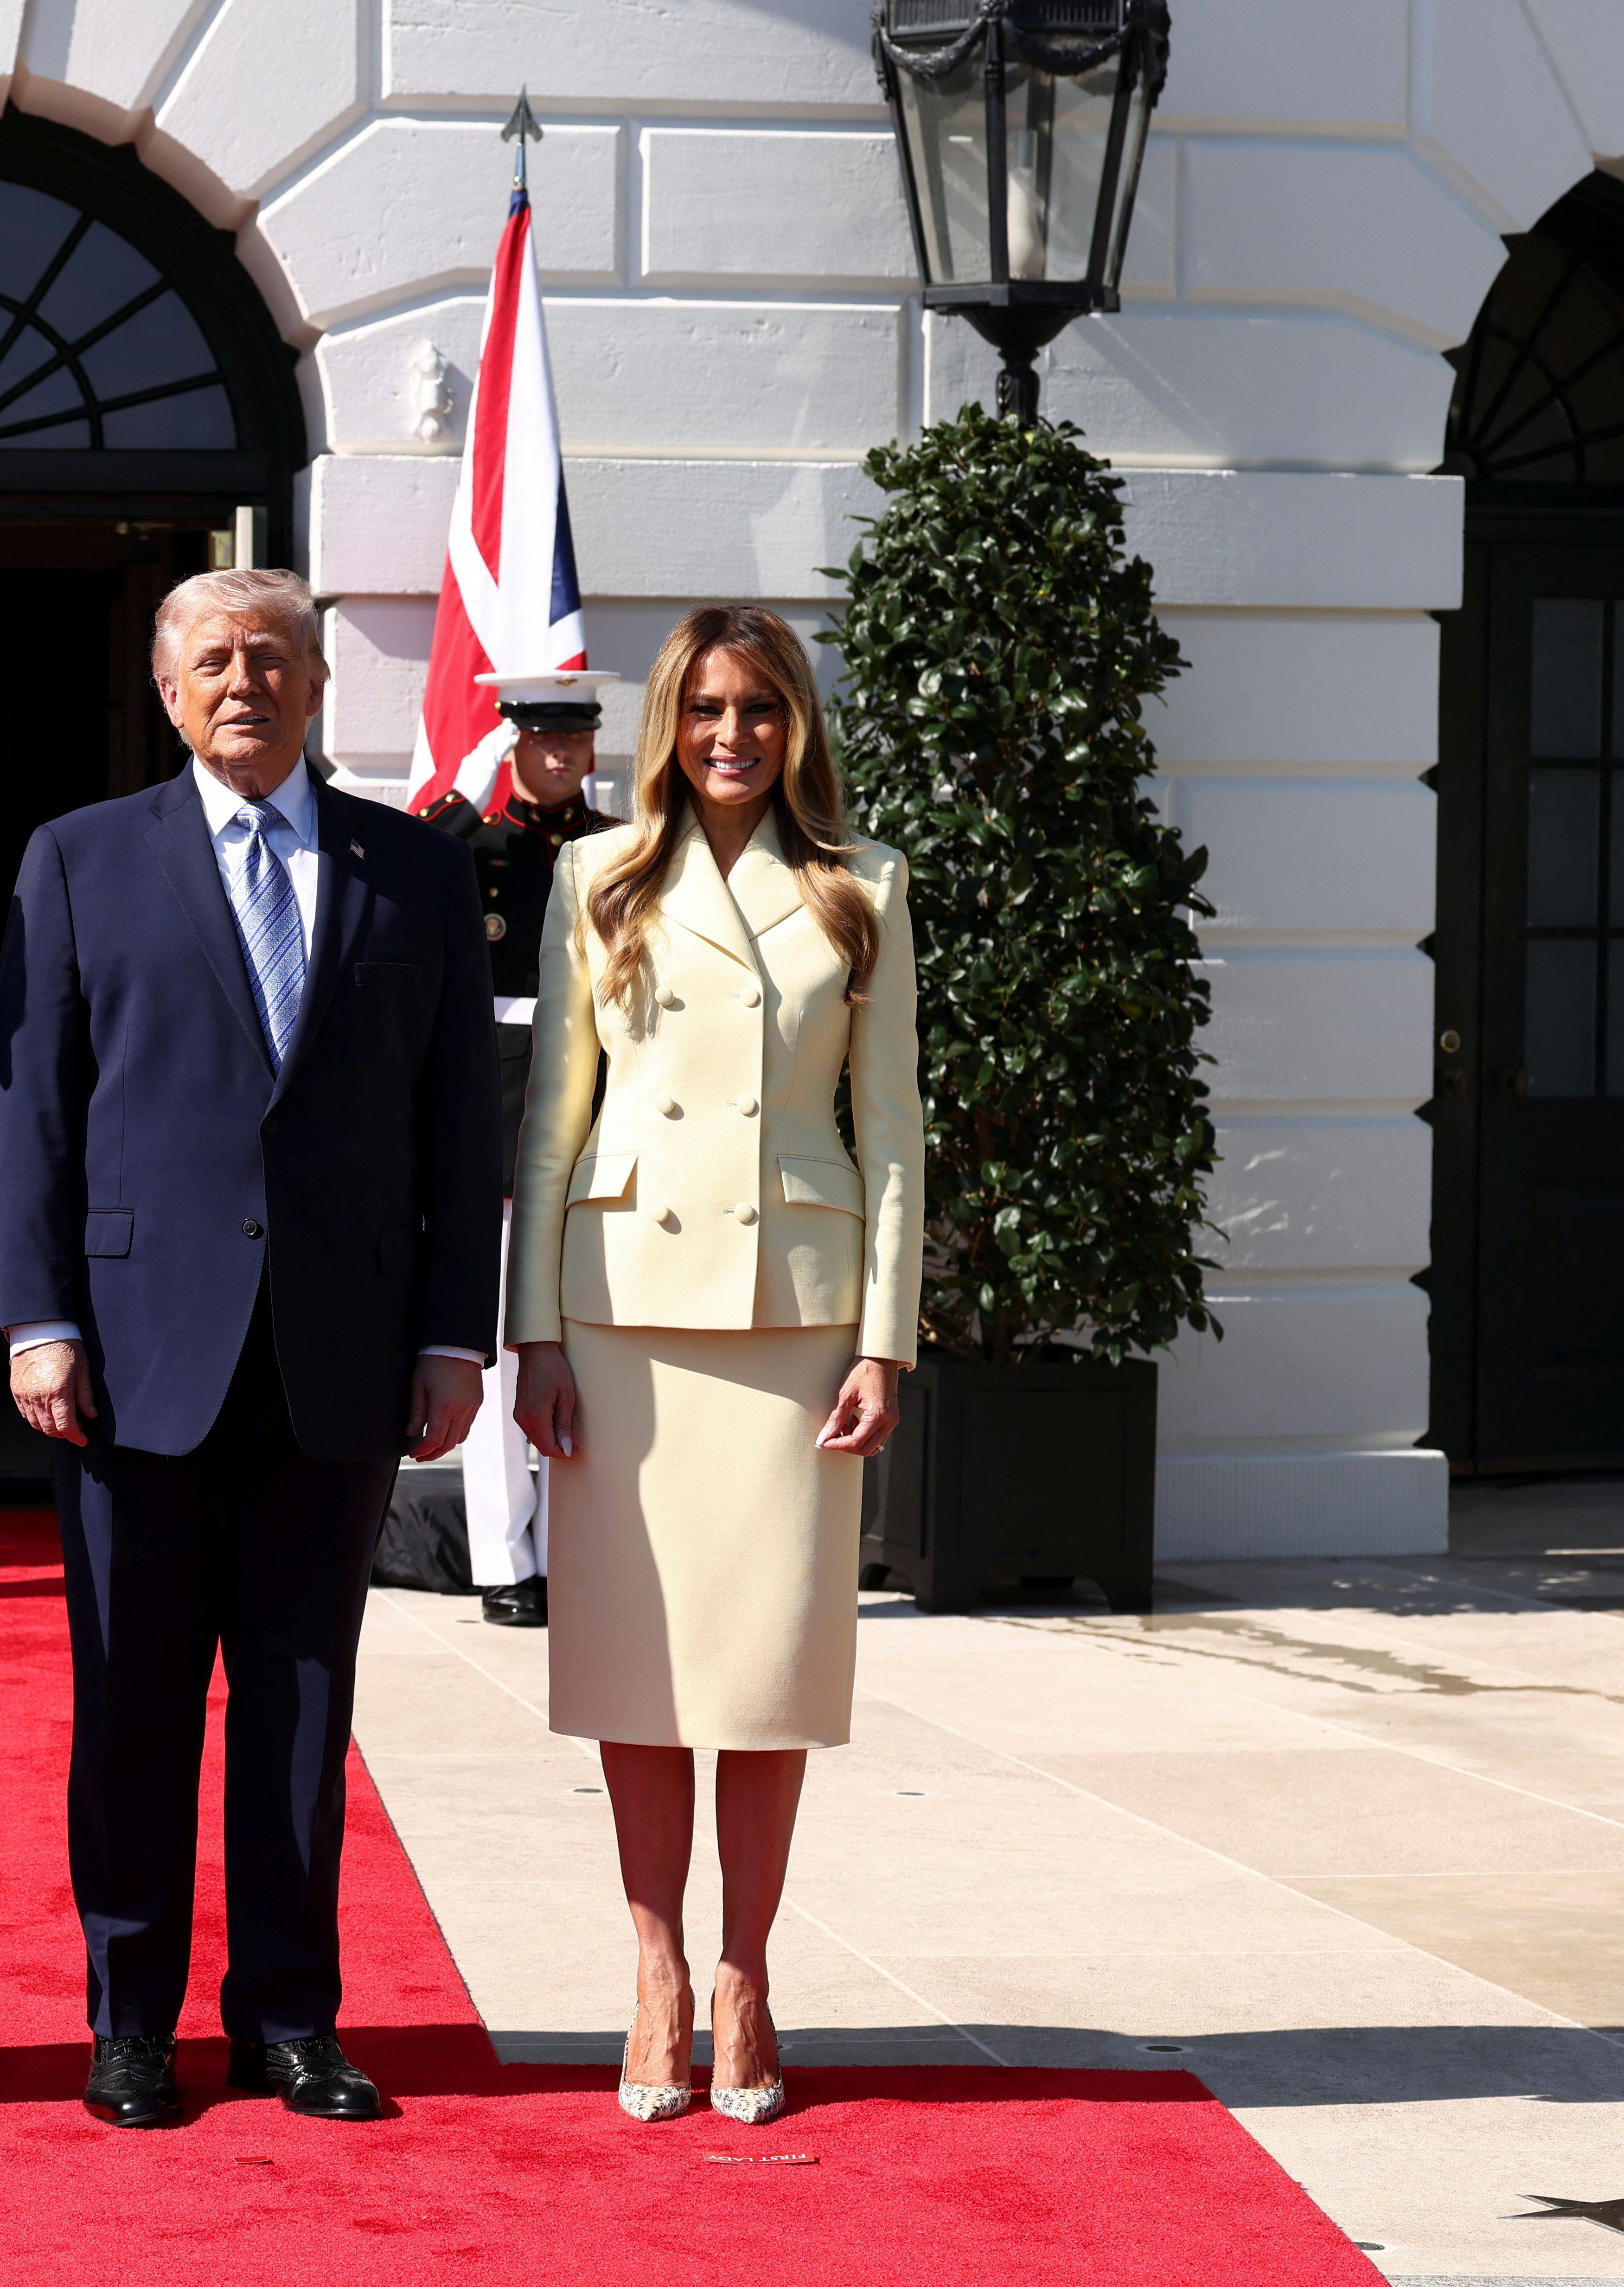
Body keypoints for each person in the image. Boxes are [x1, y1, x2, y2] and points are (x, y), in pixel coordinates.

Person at [0, 568, 500, 2130]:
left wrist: (452, 1331)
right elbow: (29, 1107)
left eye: (271, 658)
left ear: (316, 684)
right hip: (134, 1357)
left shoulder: (414, 872)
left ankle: (289, 2018)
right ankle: (130, 2020)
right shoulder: (79, 860)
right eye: (211, 660)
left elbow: (460, 1124)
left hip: (341, 1354)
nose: (242, 684)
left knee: (300, 1705)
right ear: (166, 691)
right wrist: (38, 1317)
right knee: (133, 1703)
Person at [505, 604, 922, 2127]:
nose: (730, 734)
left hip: (793, 1313)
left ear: (795, 723)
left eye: (757, 707)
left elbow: (893, 1132)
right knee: (639, 1662)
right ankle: (655, 1968)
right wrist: (533, 1328)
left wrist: (885, 1336)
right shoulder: (596, 875)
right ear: (666, 727)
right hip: (623, 1308)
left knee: (764, 1666)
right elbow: (551, 1119)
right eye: (703, 708)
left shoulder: (864, 884)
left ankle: (745, 1970)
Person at [413, 668, 621, 1628]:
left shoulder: (616, 844)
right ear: (511, 746)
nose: (560, 754)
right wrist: (464, 794)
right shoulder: (476, 845)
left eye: (573, 739)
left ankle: (587, 1549)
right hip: (504, 1102)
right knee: (502, 1350)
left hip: (604, 1101)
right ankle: (505, 1559)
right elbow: (411, 866)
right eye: (540, 739)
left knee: (598, 1340)